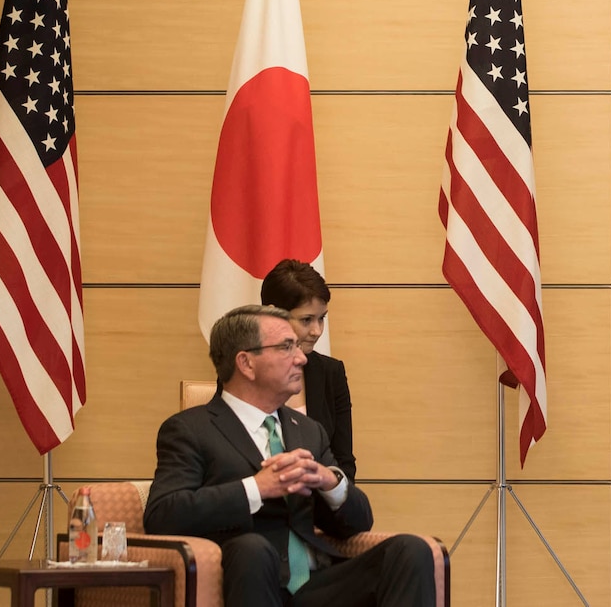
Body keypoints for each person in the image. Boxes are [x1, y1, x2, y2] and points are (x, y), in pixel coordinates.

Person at [144, 305, 436, 607]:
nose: (301, 358)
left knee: (410, 551)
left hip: (318, 586)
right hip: (252, 582)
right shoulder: (191, 429)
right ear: (246, 363)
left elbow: (357, 524)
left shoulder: (308, 431)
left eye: (297, 346)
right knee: (251, 549)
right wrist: (256, 488)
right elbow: (163, 514)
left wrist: (329, 481)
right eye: (287, 347)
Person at [262, 258, 357, 483]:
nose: (316, 331)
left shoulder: (331, 374)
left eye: (321, 318)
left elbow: (344, 464)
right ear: (273, 314)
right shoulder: (245, 370)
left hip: (319, 506)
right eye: (306, 320)